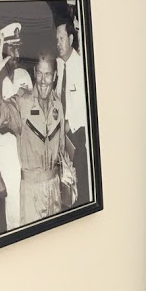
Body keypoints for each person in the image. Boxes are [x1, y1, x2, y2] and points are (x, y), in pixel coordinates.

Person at [0, 31, 76, 223]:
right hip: (32, 192)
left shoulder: (58, 105)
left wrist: (68, 173)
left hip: (54, 188)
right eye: (39, 73)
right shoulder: (22, 103)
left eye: (47, 74)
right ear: (34, 73)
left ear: (54, 76)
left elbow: (61, 149)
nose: (43, 80)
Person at [0, 24, 31, 232]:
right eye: (13, 49)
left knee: (31, 208)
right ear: (2, 50)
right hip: (8, 155)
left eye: (19, 48)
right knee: (14, 215)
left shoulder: (24, 75)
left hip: (28, 152)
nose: (17, 54)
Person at [55, 18, 90, 207]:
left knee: (81, 188)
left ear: (70, 38)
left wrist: (69, 124)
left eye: (61, 38)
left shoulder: (82, 66)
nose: (58, 43)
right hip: (62, 137)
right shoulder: (59, 66)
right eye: (56, 39)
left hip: (77, 136)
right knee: (66, 187)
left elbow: (87, 106)